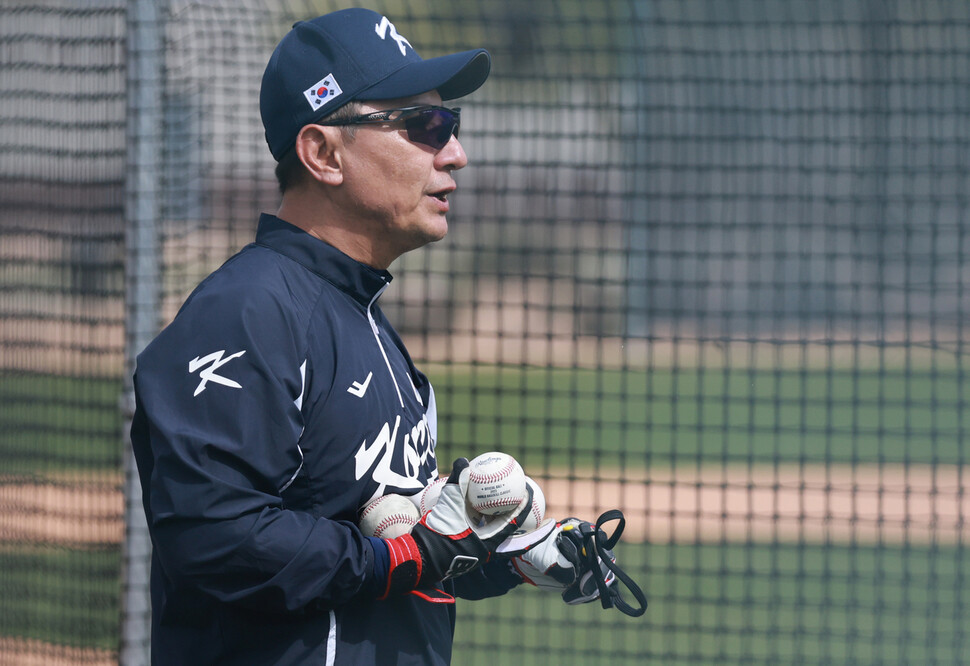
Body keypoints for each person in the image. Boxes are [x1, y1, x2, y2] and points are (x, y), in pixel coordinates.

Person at [130, 8, 611, 665]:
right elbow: (217, 533)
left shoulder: (365, 321)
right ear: (324, 153)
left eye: (451, 125)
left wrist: (500, 557)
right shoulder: (248, 312)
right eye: (424, 125)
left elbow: (383, 551)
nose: (456, 153)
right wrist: (400, 555)